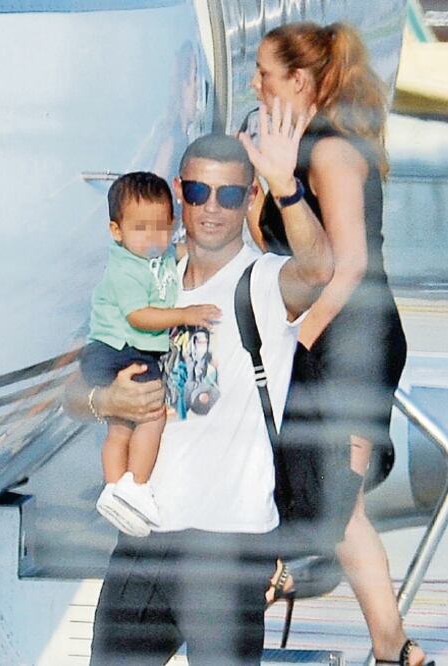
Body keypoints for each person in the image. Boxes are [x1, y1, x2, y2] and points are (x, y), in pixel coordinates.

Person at [67, 118, 334, 663]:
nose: (212, 207)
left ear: (249, 198)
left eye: (230, 194)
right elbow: (74, 386)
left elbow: (318, 269)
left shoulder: (259, 284)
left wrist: (288, 186)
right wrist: (106, 401)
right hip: (143, 539)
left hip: (227, 544)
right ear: (179, 191)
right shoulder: (147, 278)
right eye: (197, 191)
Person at [241, 21, 425, 666]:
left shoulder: (333, 152)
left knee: (341, 508)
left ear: (299, 80)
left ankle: (394, 649)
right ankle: (392, 647)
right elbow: (274, 248)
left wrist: (295, 342)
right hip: (319, 333)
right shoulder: (297, 151)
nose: (254, 82)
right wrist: (264, 181)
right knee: (310, 493)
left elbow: (348, 267)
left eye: (265, 72)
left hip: (353, 338)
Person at [82, 171, 220, 537]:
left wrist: (193, 247)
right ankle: (135, 487)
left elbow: (173, 257)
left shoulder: (154, 258)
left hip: (117, 349)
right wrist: (186, 315)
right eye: (140, 228)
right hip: (119, 349)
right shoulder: (126, 268)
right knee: (151, 416)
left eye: (160, 227)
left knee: (120, 426)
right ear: (116, 231)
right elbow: (139, 317)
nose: (151, 237)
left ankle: (114, 490)